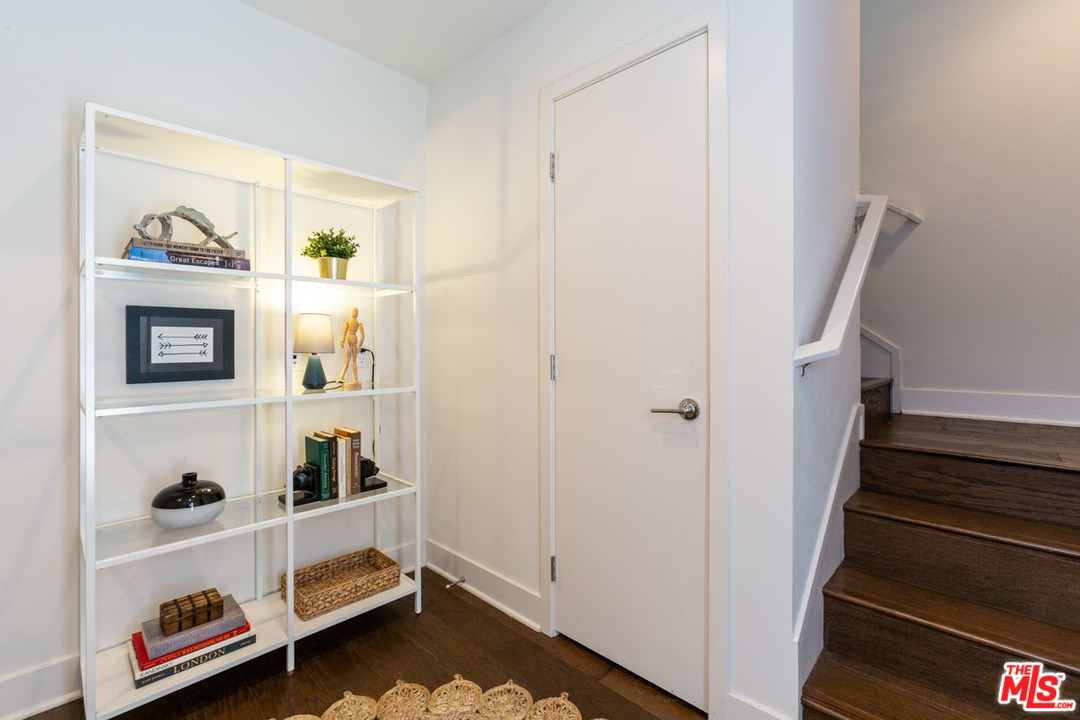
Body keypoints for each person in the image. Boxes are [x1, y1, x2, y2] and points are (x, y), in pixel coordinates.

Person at [337, 307, 365, 388]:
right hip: (350, 343)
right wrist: (342, 341)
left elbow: (362, 335)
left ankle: (355, 379)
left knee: (353, 361)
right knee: (348, 361)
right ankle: (341, 377)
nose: (354, 314)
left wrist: (360, 344)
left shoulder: (358, 324)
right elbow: (344, 334)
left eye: (355, 312)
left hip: (354, 343)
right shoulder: (348, 323)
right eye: (353, 312)